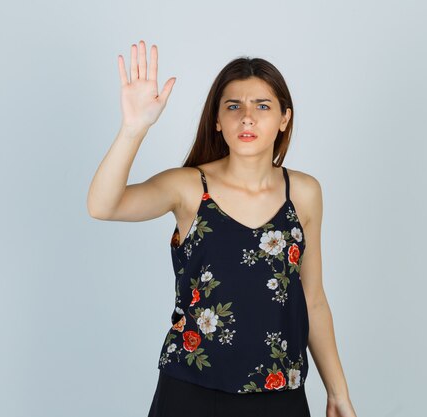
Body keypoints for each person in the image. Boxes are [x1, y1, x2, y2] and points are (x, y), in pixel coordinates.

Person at [87, 40, 358, 417]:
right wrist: (134, 129)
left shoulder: (305, 192)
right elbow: (103, 206)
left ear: (284, 118)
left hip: (279, 395)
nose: (247, 117)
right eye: (234, 106)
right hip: (192, 392)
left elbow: (313, 300)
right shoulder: (187, 187)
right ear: (217, 119)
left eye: (262, 106)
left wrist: (338, 392)